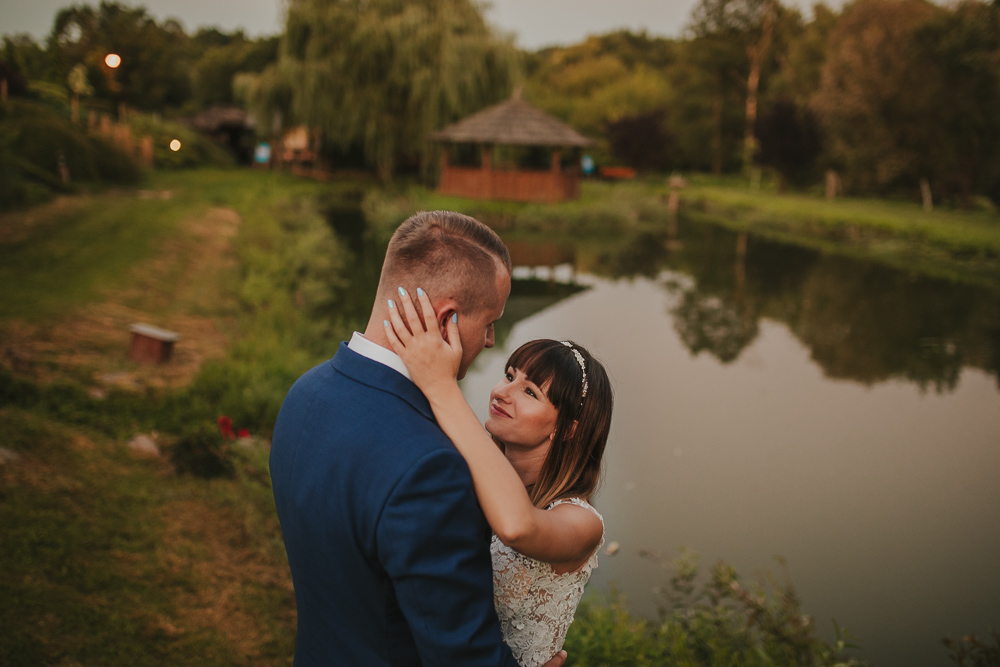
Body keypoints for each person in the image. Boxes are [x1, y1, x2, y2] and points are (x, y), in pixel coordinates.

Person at [269, 210, 567, 666]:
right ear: (445, 318)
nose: (489, 340)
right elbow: (461, 656)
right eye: (490, 321)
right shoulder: (431, 468)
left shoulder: (306, 391)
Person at [383, 289, 614, 667]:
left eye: (529, 391)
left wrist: (442, 385)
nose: (502, 392)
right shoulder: (463, 474)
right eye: (509, 375)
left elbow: (518, 527)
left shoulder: (582, 522)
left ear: (568, 429)